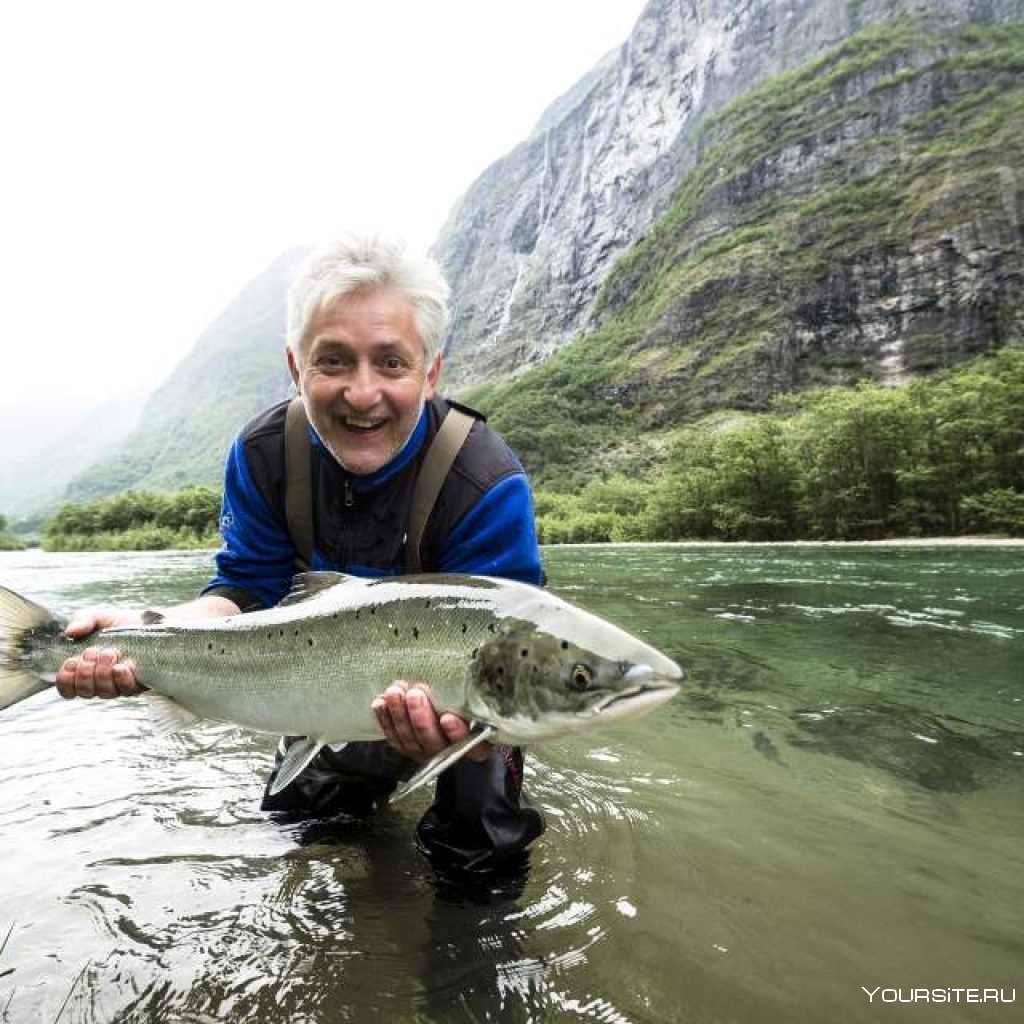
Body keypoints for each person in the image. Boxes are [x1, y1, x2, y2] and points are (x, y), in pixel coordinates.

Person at [56, 234, 546, 878]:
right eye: (333, 362)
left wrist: (477, 743)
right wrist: (145, 632)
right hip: (322, 685)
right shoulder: (263, 453)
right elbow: (242, 588)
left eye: (392, 364)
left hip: (462, 711)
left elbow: (515, 667)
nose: (362, 394)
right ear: (296, 368)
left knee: (482, 857)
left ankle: (467, 967)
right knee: (306, 830)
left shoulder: (486, 481)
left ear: (431, 373)